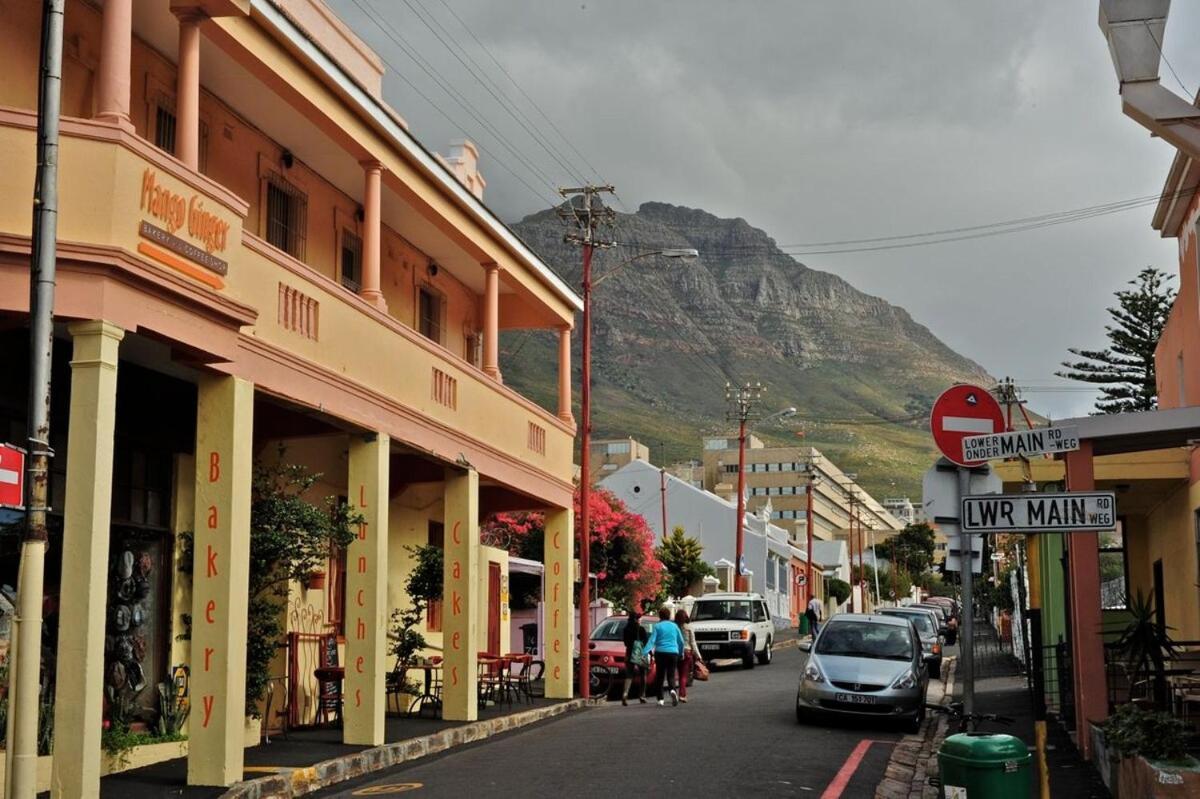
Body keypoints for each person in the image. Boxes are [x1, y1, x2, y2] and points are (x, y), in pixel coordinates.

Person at [643, 605, 686, 706]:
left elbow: (652, 641)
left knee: (660, 676)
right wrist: (681, 653)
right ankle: (672, 690)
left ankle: (660, 699)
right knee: (671, 675)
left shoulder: (657, 626)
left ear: (660, 616)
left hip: (660, 653)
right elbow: (681, 641)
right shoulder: (674, 626)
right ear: (669, 615)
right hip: (673, 653)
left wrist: (644, 652)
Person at [674, 608, 704, 703]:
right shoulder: (689, 628)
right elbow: (693, 643)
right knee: (683, 675)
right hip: (687, 652)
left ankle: (675, 692)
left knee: (677, 673)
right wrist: (698, 656)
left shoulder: (674, 627)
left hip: (675, 652)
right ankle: (682, 695)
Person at [621, 610, 649, 706]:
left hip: (629, 652)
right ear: (637, 619)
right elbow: (646, 642)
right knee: (643, 673)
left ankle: (625, 694)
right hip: (639, 653)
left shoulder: (626, 629)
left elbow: (625, 643)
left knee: (629, 674)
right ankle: (642, 695)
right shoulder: (641, 629)